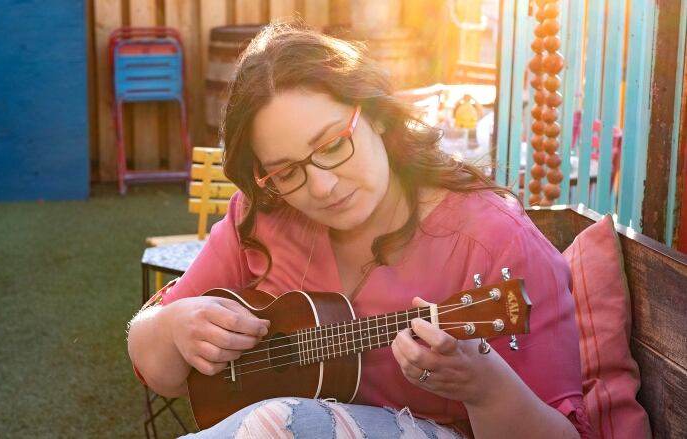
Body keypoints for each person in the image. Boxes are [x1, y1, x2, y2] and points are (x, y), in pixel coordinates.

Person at [127, 23, 591, 438]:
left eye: (333, 145)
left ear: (378, 117)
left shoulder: (495, 240)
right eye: (287, 172)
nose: (322, 186)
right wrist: (173, 327)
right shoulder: (262, 214)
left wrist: (486, 390)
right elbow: (160, 370)